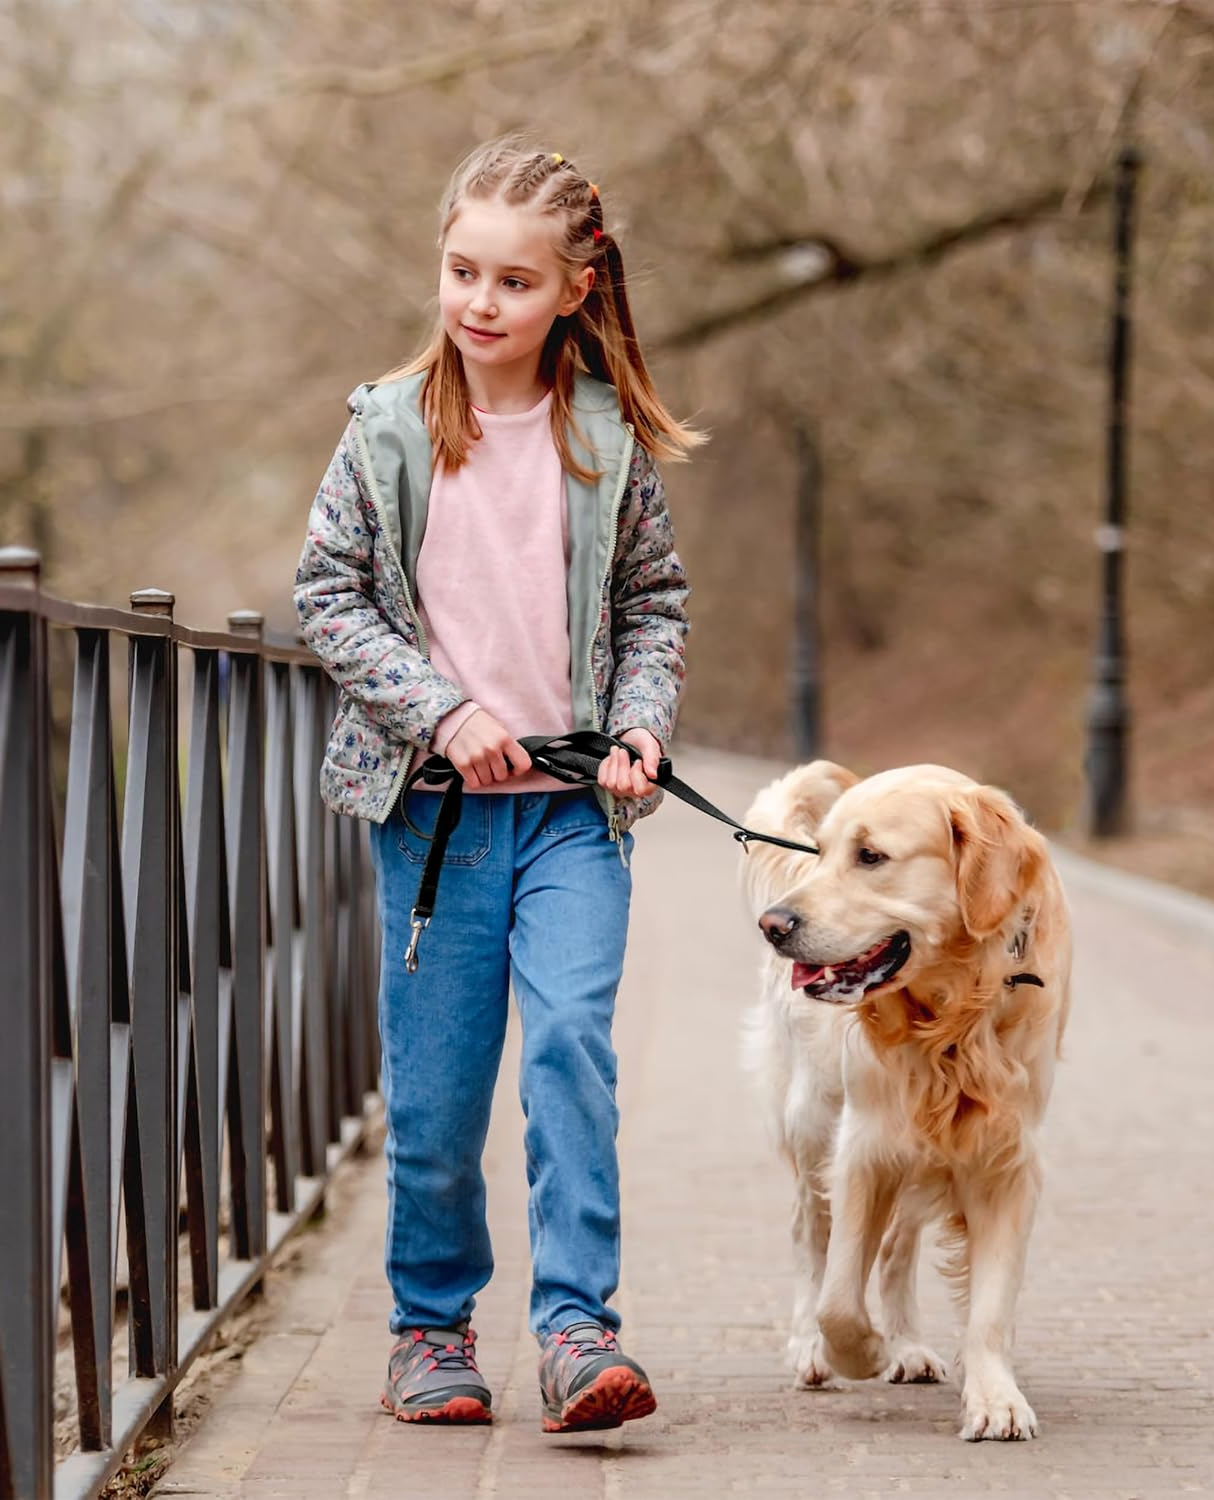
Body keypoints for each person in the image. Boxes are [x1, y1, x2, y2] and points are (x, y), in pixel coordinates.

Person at [293, 138, 700, 1433]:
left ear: (575, 290)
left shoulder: (610, 442)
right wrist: (442, 711)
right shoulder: (384, 434)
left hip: (576, 817)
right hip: (434, 821)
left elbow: (654, 608)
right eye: (462, 271)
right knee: (438, 1090)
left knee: (573, 1051)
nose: (480, 303)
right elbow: (326, 597)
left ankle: (579, 1331)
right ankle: (430, 1330)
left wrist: (638, 728)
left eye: (514, 282)